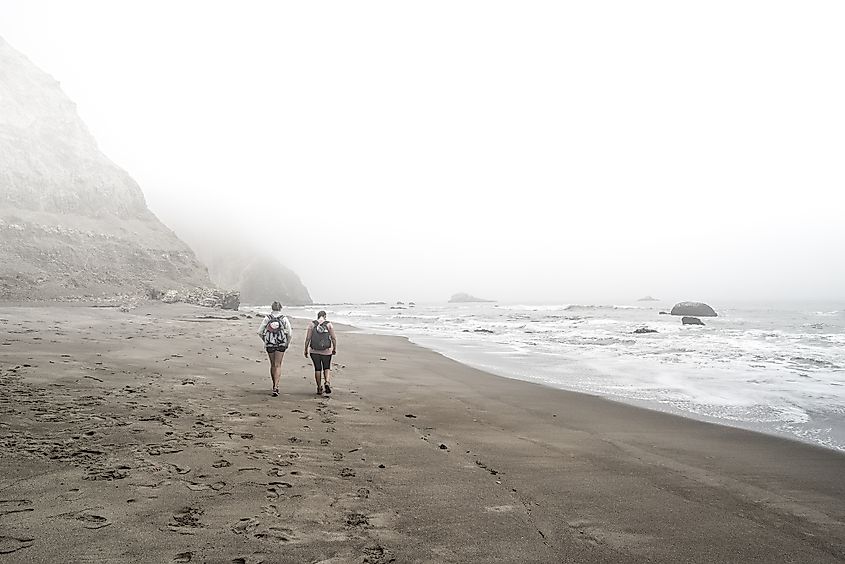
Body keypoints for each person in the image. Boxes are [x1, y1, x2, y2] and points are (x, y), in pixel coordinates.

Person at [257, 301, 292, 397]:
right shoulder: (284, 318)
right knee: (278, 365)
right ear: (280, 308)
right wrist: (287, 343)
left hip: (270, 344)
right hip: (281, 344)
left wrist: (266, 340)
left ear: (272, 308)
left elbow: (260, 332)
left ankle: (274, 385)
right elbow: (289, 333)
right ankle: (276, 386)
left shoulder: (267, 318)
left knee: (272, 364)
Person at [303, 310, 337, 395]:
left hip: (314, 351)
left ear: (317, 316)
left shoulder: (312, 324)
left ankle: (319, 387)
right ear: (325, 316)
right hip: (326, 351)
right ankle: (327, 382)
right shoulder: (329, 324)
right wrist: (334, 348)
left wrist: (306, 349)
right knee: (327, 367)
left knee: (317, 368)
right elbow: (333, 338)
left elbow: (308, 338)